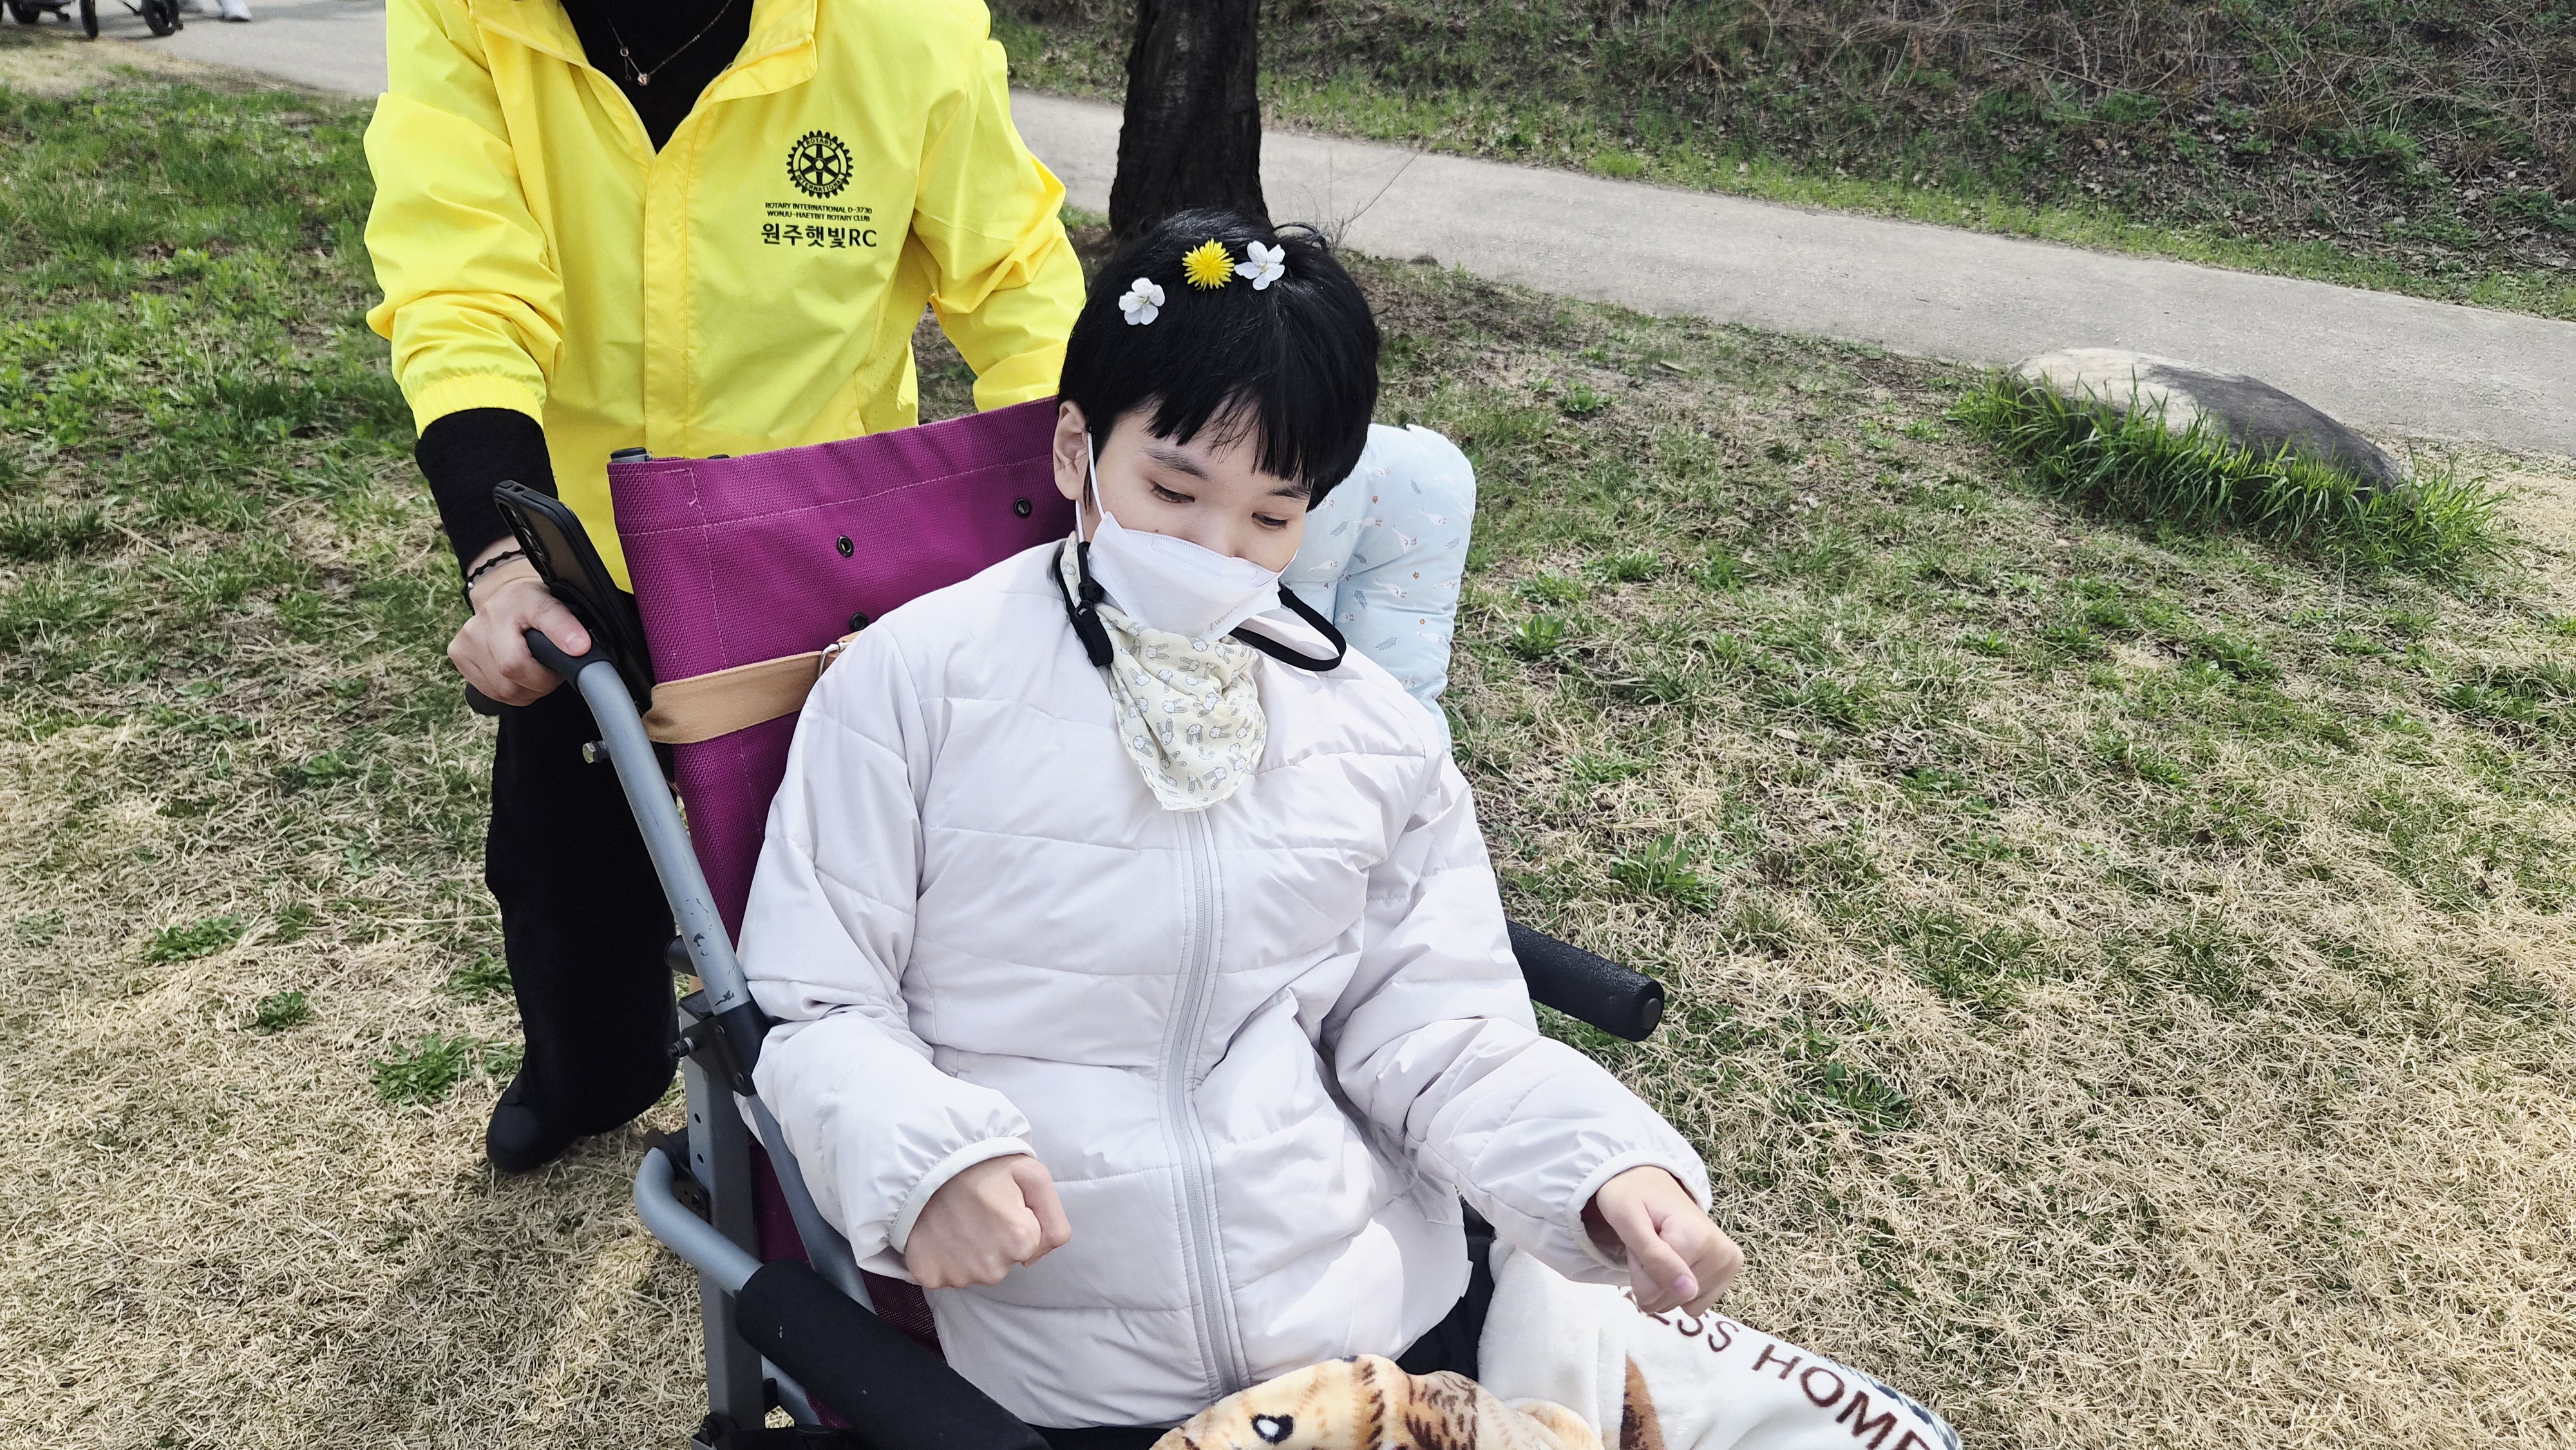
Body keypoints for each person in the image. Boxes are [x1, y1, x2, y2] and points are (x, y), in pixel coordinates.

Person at [741, 211, 1957, 1449]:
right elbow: (819, 1005)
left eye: (1271, 519)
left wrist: (1603, 1170)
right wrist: (926, 1161)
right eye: (1172, 491)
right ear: (1075, 451)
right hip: (1092, 1381)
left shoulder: (1367, 729)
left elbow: (1438, 1020)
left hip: (1390, 1342)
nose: (1214, 550)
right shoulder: (913, 684)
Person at [362, 0, 1087, 1174]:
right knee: (562, 869)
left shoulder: (906, 25)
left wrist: (1078, 501)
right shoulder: (467, 14)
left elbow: (1017, 282)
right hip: (585, 548)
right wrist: (500, 559)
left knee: (830, 876)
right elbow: (460, 285)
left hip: (811, 545)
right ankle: (589, 1075)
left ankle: (823, 1128)